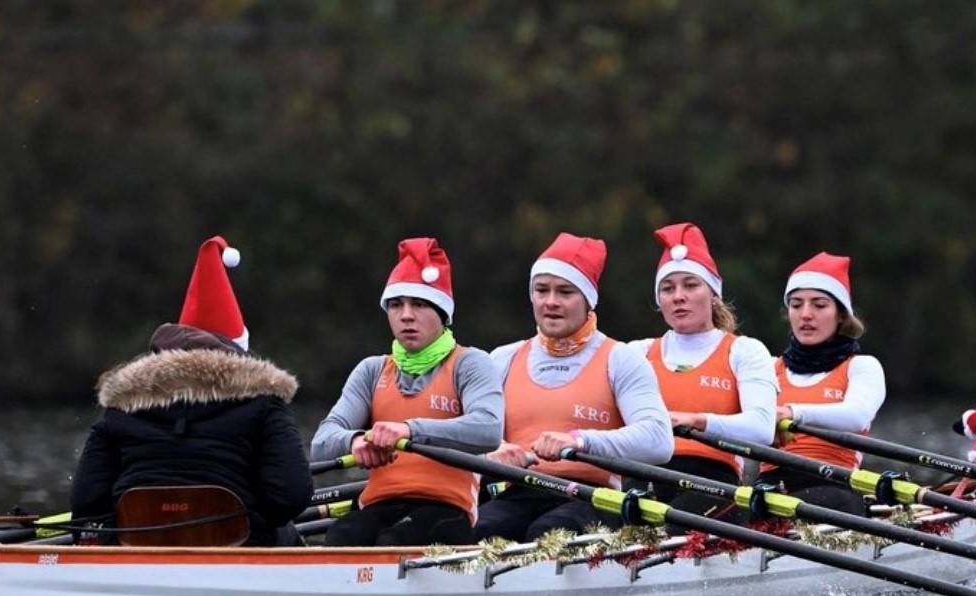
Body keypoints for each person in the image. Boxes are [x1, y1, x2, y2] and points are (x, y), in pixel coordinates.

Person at [71, 236, 312, 546]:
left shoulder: (120, 407)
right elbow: (291, 496)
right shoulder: (265, 405)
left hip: (137, 544)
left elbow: (86, 500)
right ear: (237, 353)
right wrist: (250, 516)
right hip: (238, 545)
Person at [477, 232, 672, 542]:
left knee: (547, 534)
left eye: (565, 292)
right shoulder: (502, 358)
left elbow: (659, 440)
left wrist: (579, 441)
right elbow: (464, 434)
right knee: (478, 531)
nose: (551, 302)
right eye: (542, 290)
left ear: (588, 300)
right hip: (519, 492)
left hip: (592, 498)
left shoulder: (620, 359)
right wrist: (490, 451)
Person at [311, 237, 504, 546]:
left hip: (446, 509)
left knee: (395, 539)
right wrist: (355, 440)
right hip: (379, 503)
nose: (406, 315)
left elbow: (488, 429)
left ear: (442, 312)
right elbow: (322, 441)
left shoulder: (470, 363)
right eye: (396, 304)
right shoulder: (372, 370)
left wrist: (408, 430)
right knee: (340, 537)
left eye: (419, 304)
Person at [626, 223, 777, 522]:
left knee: (678, 521)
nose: (678, 296)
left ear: (714, 295)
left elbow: (762, 428)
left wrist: (696, 421)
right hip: (642, 481)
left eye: (691, 285)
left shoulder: (745, 351)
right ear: (660, 301)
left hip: (713, 485)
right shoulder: (635, 353)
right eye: (668, 289)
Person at [763, 252, 884, 516]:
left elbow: (857, 416)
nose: (806, 315)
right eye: (796, 305)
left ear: (841, 314)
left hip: (833, 487)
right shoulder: (767, 368)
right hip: (770, 493)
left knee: (824, 498)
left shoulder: (862, 367)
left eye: (819, 305)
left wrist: (793, 413)